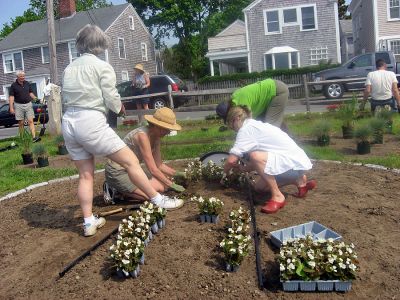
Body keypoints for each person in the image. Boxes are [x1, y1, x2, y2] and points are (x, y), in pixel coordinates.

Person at [61, 24, 183, 237]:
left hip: (69, 122)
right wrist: (119, 108)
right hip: (90, 120)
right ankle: (159, 200)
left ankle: (89, 221)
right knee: (130, 161)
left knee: (86, 175)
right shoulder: (102, 66)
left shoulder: (68, 68)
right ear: (99, 46)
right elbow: (110, 95)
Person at [223, 106, 315, 214]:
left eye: (231, 124)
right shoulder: (255, 125)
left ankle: (277, 196)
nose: (232, 128)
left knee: (254, 155)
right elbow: (262, 160)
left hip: (291, 163)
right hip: (295, 164)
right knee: (259, 188)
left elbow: (231, 160)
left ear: (237, 119)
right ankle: (298, 181)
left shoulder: (246, 130)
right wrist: (244, 168)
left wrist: (223, 173)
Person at [104, 107, 185, 201]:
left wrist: (177, 174)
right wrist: (171, 184)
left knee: (162, 187)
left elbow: (159, 165)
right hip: (117, 171)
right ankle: (115, 190)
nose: (168, 132)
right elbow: (153, 169)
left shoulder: (156, 137)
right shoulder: (142, 136)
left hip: (131, 169)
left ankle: (126, 190)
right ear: (156, 126)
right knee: (150, 196)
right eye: (167, 129)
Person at [216, 79, 289, 128]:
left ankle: (277, 149)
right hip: (271, 91)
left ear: (229, 110)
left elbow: (246, 125)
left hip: (277, 91)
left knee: (270, 127)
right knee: (262, 123)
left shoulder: (241, 104)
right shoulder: (235, 99)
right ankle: (291, 142)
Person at [8, 70, 41, 142]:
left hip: (28, 104)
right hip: (18, 105)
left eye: (23, 76)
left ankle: (34, 137)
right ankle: (22, 138)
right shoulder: (13, 85)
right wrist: (11, 108)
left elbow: (30, 93)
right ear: (17, 77)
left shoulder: (27, 83)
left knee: (30, 121)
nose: (23, 77)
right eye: (21, 76)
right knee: (21, 123)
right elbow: (11, 97)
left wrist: (35, 98)